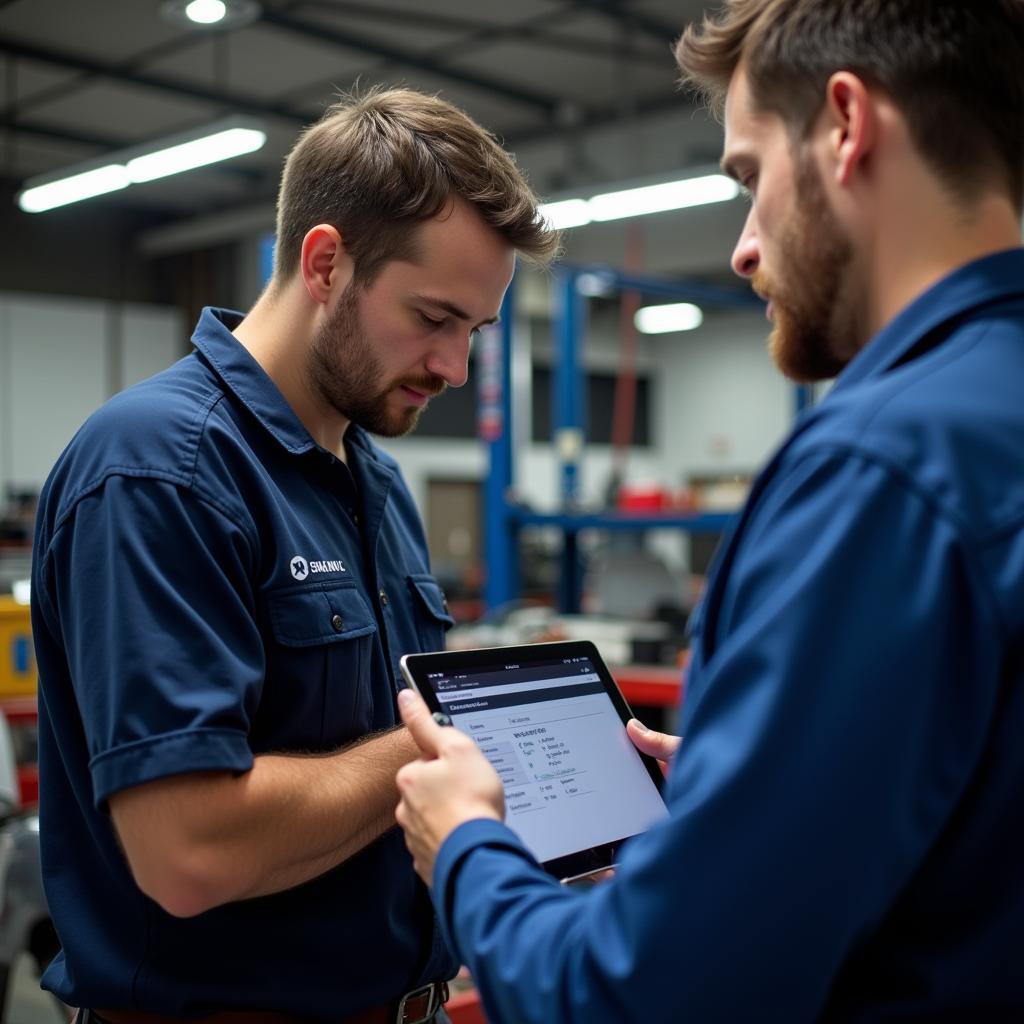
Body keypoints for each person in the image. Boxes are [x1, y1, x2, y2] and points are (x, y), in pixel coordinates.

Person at [394, 2, 1024, 1020]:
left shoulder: (879, 472)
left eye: (746, 175)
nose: (741, 247)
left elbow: (653, 991)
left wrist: (469, 847)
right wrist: (762, 788)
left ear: (846, 126)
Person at [29, 87, 557, 1023]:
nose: (455, 368)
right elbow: (189, 852)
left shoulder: (372, 477)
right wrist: (443, 739)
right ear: (324, 263)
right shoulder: (161, 470)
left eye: (474, 331)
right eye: (434, 317)